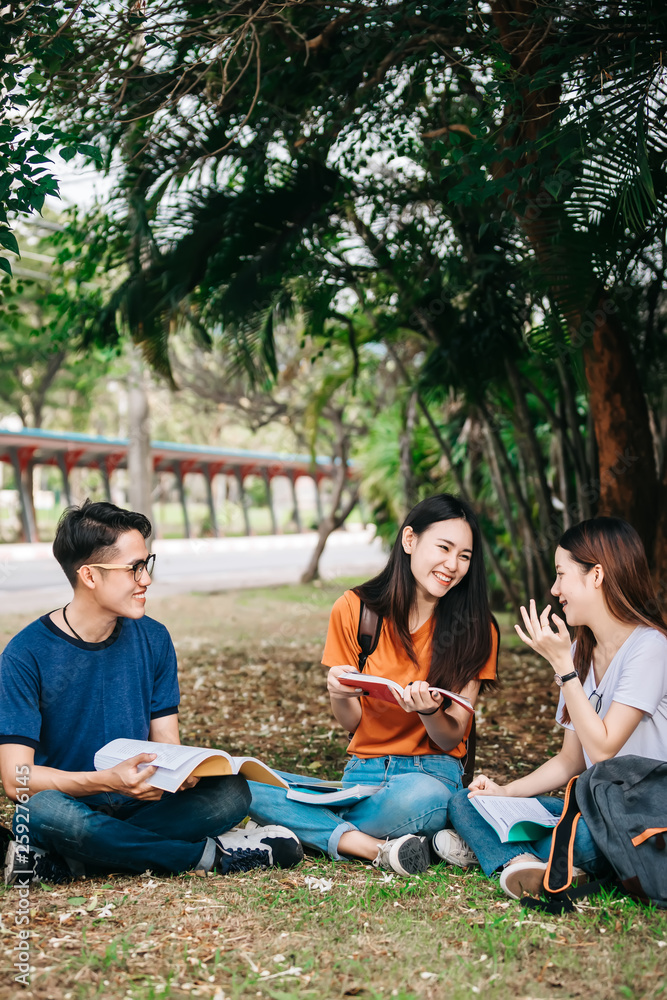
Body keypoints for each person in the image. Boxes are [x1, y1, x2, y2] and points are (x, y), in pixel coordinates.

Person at [0, 500, 302, 884]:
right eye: (134, 568)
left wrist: (182, 771)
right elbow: (16, 780)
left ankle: (70, 863)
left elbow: (167, 744)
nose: (146, 579)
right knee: (37, 811)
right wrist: (104, 781)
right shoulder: (25, 654)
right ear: (89, 576)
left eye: (147, 563)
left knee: (232, 793)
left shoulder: (154, 638)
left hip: (147, 806)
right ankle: (211, 856)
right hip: (71, 805)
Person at [247, 494, 499, 875]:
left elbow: (452, 737)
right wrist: (338, 693)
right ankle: (374, 845)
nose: (453, 565)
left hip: (429, 775)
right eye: (444, 548)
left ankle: (311, 820)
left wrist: (429, 711)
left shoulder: (478, 628)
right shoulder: (355, 609)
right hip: (362, 773)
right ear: (410, 540)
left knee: (425, 799)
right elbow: (353, 723)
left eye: (464, 555)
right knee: (243, 782)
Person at [443, 516, 667, 898]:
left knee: (578, 837)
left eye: (562, 575)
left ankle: (513, 853)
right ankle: (521, 864)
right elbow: (571, 761)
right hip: (592, 808)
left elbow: (603, 749)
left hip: (640, 815)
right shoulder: (579, 651)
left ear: (596, 575)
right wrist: (506, 792)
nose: (554, 588)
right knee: (467, 801)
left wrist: (562, 668)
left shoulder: (651, 647)